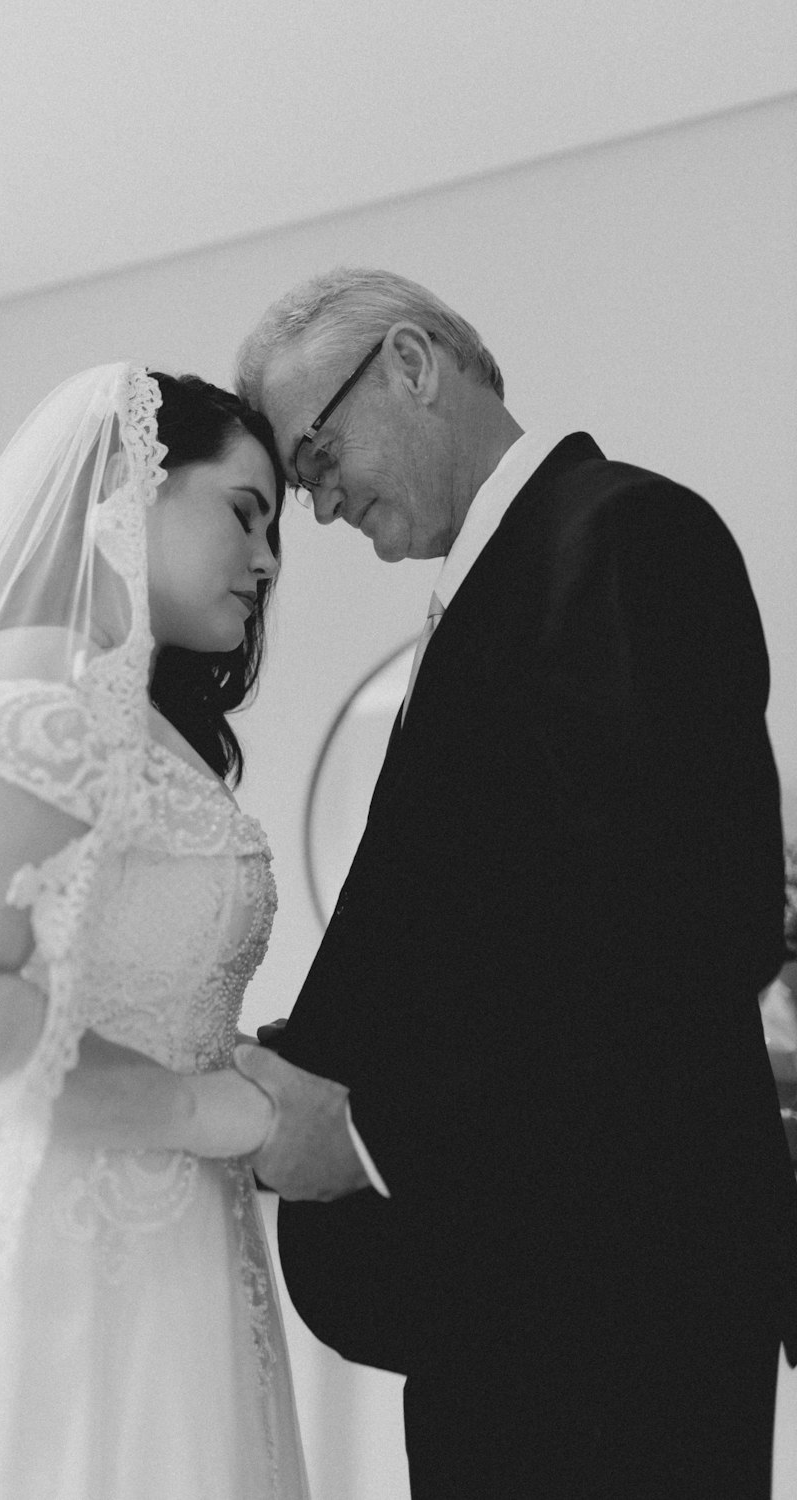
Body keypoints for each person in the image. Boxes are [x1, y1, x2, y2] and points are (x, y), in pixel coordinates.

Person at [232, 267, 797, 1498]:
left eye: (316, 457)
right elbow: (495, 928)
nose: (318, 511)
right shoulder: (501, 587)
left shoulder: (621, 536)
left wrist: (376, 1130)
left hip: (616, 1305)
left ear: (412, 365)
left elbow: (698, 920)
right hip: (519, 1291)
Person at [0, 364, 310, 1499]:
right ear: (136, 482)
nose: (269, 560)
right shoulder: (44, 681)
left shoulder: (136, 715)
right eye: (244, 511)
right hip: (48, 1246)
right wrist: (211, 1109)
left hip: (163, 1253)